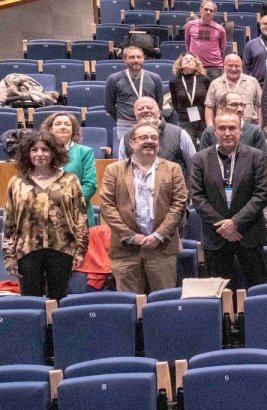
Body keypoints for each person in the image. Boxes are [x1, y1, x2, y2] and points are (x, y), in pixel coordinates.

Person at [98, 122, 188, 294]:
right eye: (143, 137)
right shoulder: (113, 170)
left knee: (164, 304)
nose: (149, 141)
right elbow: (107, 206)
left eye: (154, 138)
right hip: (126, 249)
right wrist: (130, 236)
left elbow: (179, 204)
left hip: (162, 248)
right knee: (130, 305)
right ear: (131, 143)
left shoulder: (173, 169)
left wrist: (159, 235)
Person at [188, 112, 267, 288]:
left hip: (249, 234)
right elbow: (197, 197)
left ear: (240, 130)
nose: (227, 132)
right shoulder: (199, 159)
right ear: (214, 131)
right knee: (219, 294)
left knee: (258, 289)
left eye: (232, 128)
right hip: (215, 236)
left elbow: (261, 195)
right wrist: (224, 226)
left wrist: (235, 223)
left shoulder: (256, 156)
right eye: (222, 128)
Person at [3, 131, 88, 299]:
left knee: (58, 299)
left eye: (45, 150)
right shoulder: (17, 182)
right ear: (28, 153)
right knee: (30, 301)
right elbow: (9, 220)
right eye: (34, 150)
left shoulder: (70, 180)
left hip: (62, 248)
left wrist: (80, 250)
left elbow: (80, 217)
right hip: (26, 250)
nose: (39, 154)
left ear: (54, 153)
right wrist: (9, 255)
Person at [105, 45, 165, 148]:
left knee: (150, 152)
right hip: (126, 124)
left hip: (150, 123)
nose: (136, 60)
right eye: (132, 57)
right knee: (128, 154)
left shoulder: (155, 78)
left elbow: (159, 103)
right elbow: (109, 106)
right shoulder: (114, 79)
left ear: (143, 58)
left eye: (139, 57)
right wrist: (123, 116)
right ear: (124, 59)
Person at [41, 113, 97, 221]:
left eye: (67, 124)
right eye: (58, 124)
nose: (63, 127)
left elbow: (90, 186)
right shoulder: (41, 152)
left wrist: (67, 206)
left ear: (73, 130)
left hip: (78, 213)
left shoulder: (85, 152)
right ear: (50, 129)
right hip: (47, 213)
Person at [115, 96, 198, 168]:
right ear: (135, 114)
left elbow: (192, 165)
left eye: (149, 107)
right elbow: (122, 170)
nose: (145, 110)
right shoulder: (126, 139)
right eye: (140, 109)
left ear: (159, 112)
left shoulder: (179, 134)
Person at [198, 93, 267, 156]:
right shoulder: (209, 133)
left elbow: (262, 163)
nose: (240, 109)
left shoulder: (255, 131)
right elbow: (202, 162)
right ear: (222, 108)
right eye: (234, 105)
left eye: (242, 105)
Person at [204, 54, 262, 127]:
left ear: (241, 66)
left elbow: (260, 105)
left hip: (249, 126)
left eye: (237, 66)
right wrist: (210, 127)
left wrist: (259, 125)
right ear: (224, 66)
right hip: (223, 127)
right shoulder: (215, 84)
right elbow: (209, 107)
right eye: (230, 65)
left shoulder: (252, 81)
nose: (234, 69)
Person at [169, 52, 210, 143]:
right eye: (185, 59)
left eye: (191, 59)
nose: (188, 60)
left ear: (196, 65)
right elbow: (175, 103)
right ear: (180, 64)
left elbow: (209, 100)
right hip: (184, 120)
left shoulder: (204, 79)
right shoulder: (174, 82)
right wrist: (182, 113)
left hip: (203, 120)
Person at [183, 0, 228, 79]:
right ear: (200, 9)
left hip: (214, 68)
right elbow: (187, 43)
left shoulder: (220, 29)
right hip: (195, 66)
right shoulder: (190, 25)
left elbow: (222, 49)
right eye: (206, 9)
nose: (208, 12)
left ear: (214, 13)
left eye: (211, 10)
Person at [242, 15, 267, 84]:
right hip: (258, 85)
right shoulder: (251, 44)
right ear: (260, 26)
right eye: (265, 24)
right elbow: (245, 66)